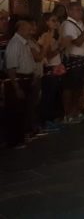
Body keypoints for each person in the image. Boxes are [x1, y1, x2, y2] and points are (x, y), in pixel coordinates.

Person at [4, 19, 40, 149]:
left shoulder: (25, 43)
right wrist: (16, 87)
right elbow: (11, 68)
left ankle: (21, 136)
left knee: (24, 109)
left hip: (27, 78)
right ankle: (14, 140)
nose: (30, 30)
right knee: (15, 111)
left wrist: (34, 74)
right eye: (27, 27)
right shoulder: (15, 44)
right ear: (20, 29)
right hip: (19, 79)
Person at [61, 2, 84, 123]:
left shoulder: (79, 24)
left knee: (78, 87)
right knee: (70, 87)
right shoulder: (68, 24)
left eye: (81, 10)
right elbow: (78, 42)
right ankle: (67, 113)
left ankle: (76, 111)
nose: (80, 12)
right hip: (73, 59)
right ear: (69, 11)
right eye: (77, 10)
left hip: (82, 58)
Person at [38, 13, 65, 133]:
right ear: (46, 22)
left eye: (57, 20)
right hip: (50, 68)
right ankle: (46, 121)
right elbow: (47, 55)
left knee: (53, 95)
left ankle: (51, 119)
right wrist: (60, 48)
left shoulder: (54, 35)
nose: (56, 23)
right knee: (48, 95)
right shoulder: (46, 36)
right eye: (53, 20)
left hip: (56, 66)